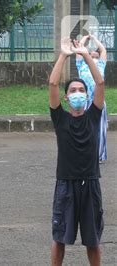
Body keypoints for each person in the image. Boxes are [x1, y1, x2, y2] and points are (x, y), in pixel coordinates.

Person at [49, 39, 105, 266]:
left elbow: (100, 83)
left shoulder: (93, 115)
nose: (78, 93)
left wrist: (86, 55)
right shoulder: (60, 118)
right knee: (59, 239)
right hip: (66, 184)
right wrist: (64, 55)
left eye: (81, 90)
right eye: (73, 90)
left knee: (93, 241)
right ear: (66, 97)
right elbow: (52, 84)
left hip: (91, 184)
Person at [76, 34, 108, 163]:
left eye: (95, 53)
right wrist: (85, 38)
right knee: (83, 128)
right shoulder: (82, 66)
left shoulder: (101, 65)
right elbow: (79, 49)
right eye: (90, 53)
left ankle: (99, 155)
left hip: (98, 101)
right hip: (85, 101)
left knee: (100, 129)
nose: (93, 53)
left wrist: (94, 39)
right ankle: (82, 153)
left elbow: (103, 50)